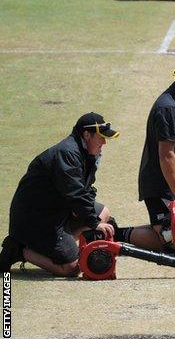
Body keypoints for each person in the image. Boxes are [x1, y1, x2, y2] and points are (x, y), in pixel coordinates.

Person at [0, 112, 119, 276]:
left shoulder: (84, 153)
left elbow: (85, 190)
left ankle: (62, 244)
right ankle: (19, 250)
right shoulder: (67, 153)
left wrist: (91, 217)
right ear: (86, 135)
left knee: (102, 212)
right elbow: (76, 193)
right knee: (73, 267)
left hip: (56, 211)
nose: (104, 142)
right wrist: (92, 222)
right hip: (36, 221)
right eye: (101, 137)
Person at [117, 60, 175, 252]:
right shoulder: (168, 108)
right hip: (161, 186)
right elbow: (167, 154)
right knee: (173, 241)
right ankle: (115, 233)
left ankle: (158, 227)